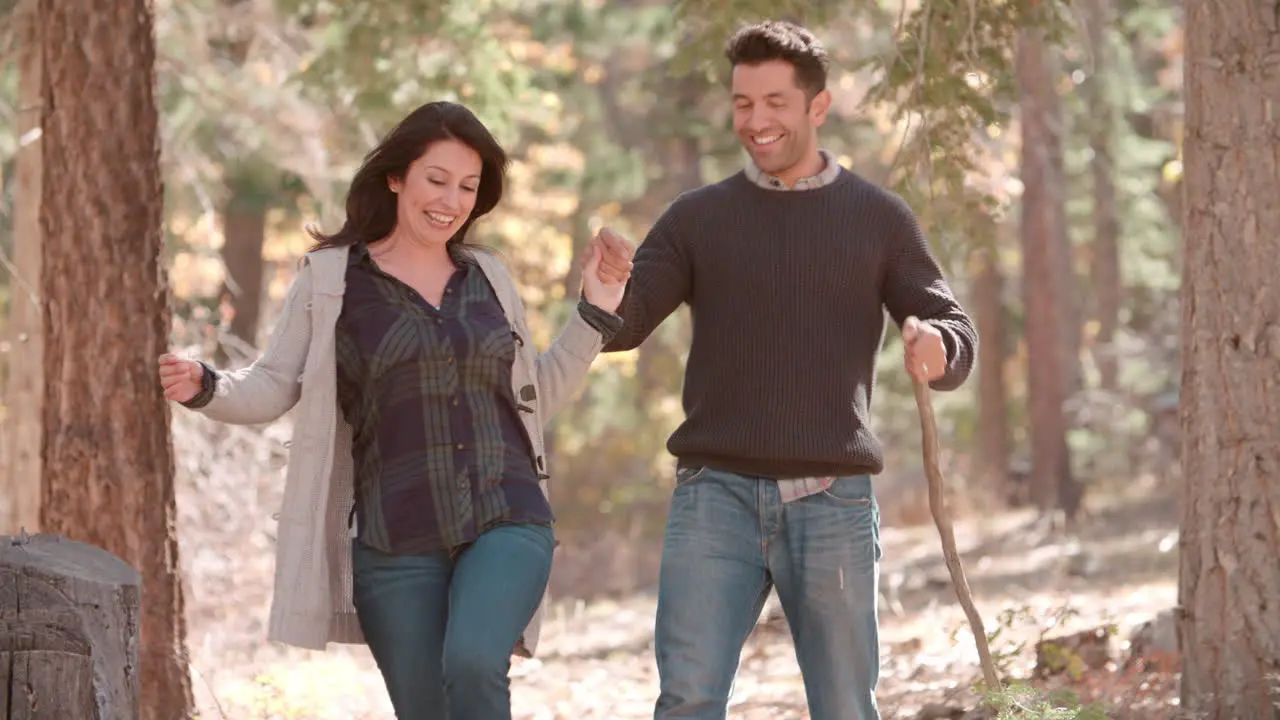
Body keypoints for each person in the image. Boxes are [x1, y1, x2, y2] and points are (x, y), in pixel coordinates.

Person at [158, 101, 631, 720]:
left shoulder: (488, 275)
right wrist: (205, 386)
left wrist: (596, 310)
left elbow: (533, 396)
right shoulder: (332, 281)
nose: (452, 200)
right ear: (395, 176)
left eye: (468, 186)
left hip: (506, 511)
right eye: (437, 179)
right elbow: (275, 384)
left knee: (472, 663)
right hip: (395, 536)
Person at [588, 20, 979, 720]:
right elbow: (624, 325)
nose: (756, 121)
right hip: (715, 497)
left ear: (817, 108)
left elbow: (951, 324)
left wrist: (938, 346)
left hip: (832, 501)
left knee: (844, 708)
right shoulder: (698, 219)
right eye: (743, 103)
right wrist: (604, 289)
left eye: (775, 103)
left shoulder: (877, 218)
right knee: (686, 701)